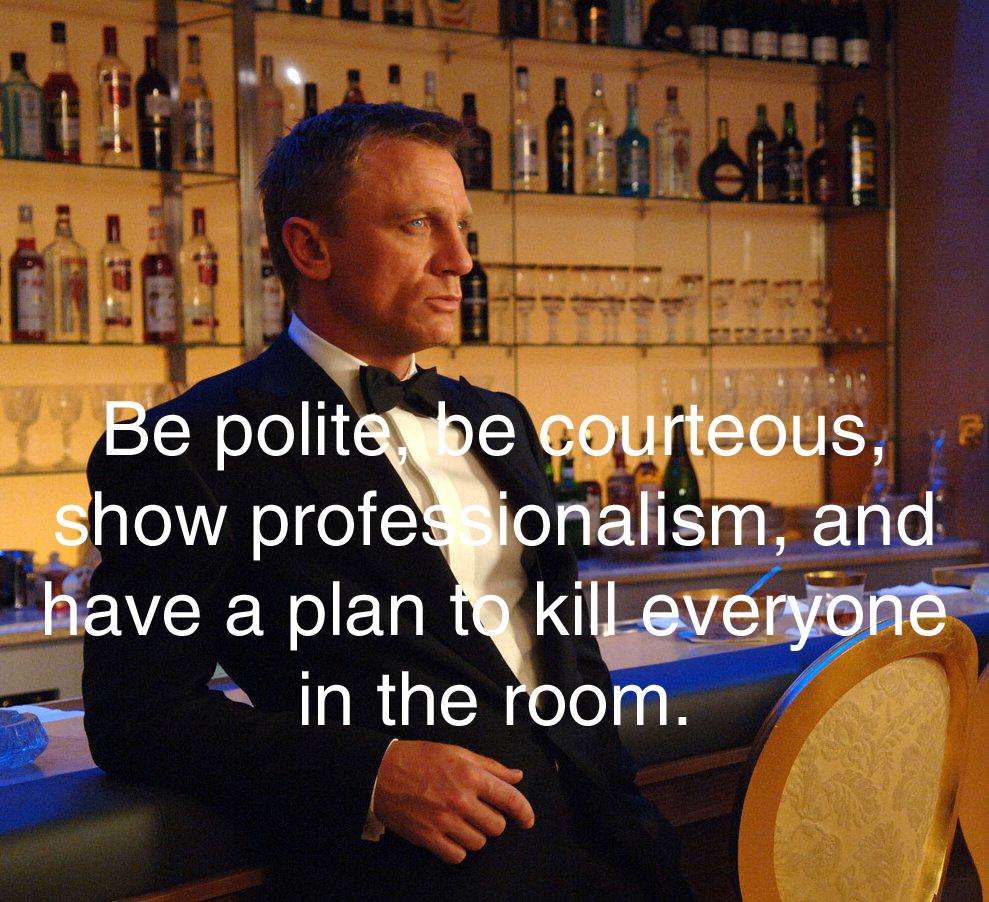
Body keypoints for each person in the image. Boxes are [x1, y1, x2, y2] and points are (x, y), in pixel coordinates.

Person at [82, 103, 692, 900]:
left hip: (614, 857)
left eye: (462, 228)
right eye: (417, 225)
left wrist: (620, 802)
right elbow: (136, 714)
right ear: (310, 247)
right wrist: (371, 774)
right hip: (421, 880)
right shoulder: (185, 447)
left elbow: (562, 648)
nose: (460, 261)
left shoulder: (499, 420)